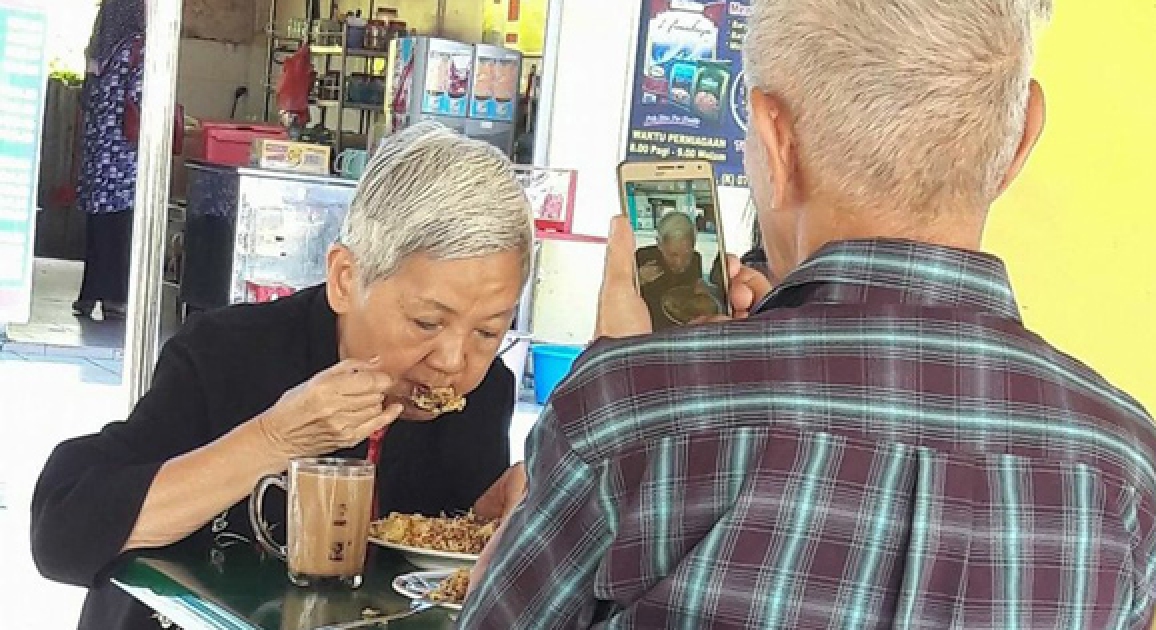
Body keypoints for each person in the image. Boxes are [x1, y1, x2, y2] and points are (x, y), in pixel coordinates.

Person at [460, 1, 1156, 628]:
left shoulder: (629, 409)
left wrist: (625, 370)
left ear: (775, 141)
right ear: (1021, 139)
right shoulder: (1126, 466)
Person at [31, 122, 532, 630]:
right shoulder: (228, 352)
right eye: (427, 322)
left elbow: (432, 588)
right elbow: (61, 534)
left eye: (488, 331)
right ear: (345, 279)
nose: (453, 360)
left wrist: (483, 520)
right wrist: (273, 440)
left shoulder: (483, 394)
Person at [72, 0, 146, 320]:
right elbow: (141, 96)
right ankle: (115, 298)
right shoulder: (138, 48)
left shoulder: (98, 51)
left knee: (97, 224)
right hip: (124, 155)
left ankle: (89, 294)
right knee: (120, 225)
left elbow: (86, 97)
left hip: (97, 151)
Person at [634, 211, 707, 329]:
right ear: (659, 244)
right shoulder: (643, 257)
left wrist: (703, 294)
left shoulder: (696, 259)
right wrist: (638, 279)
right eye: (673, 255)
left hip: (683, 330)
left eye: (687, 255)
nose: (680, 263)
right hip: (648, 328)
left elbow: (696, 304)